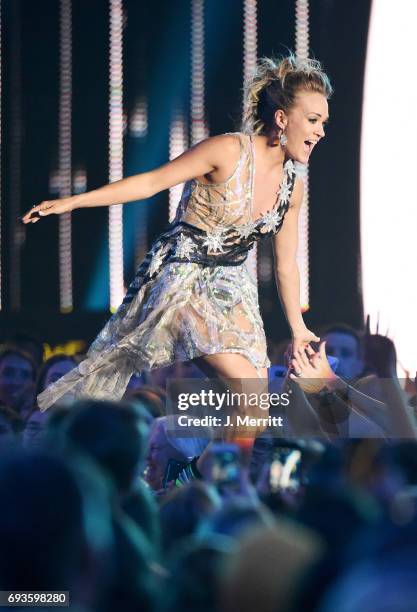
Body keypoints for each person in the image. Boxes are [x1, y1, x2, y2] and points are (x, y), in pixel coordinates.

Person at [22, 54, 332, 440]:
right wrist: (72, 201)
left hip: (233, 288)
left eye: (323, 123)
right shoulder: (228, 151)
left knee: (256, 405)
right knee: (246, 392)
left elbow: (286, 265)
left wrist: (299, 329)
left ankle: (211, 483)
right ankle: (50, 442)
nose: (320, 132)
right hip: (183, 277)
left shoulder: (293, 187)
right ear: (283, 119)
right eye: (313, 120)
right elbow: (151, 182)